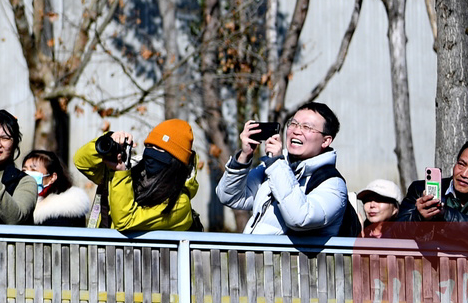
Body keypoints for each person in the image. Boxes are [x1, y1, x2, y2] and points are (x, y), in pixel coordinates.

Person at [215, 102, 352, 237]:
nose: (297, 131)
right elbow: (230, 197)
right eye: (293, 123)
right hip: (255, 256)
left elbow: (301, 219)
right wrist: (244, 156)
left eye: (307, 127)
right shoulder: (275, 167)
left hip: (294, 260)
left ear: (326, 141)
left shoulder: (333, 184)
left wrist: (276, 164)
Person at [73, 120, 199, 234]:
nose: (150, 152)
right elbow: (82, 162)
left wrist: (121, 173)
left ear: (175, 161)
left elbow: (125, 221)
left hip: (146, 259)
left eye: (158, 149)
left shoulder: (180, 204)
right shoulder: (133, 173)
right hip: (107, 255)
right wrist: (108, 140)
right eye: (149, 146)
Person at [395, 141, 468, 235]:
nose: (464, 174)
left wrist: (444, 213)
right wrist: (418, 217)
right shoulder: (420, 189)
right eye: (461, 164)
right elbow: (395, 233)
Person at [23, 149, 92, 227]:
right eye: (24, 170)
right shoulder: (21, 201)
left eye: (33, 170)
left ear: (52, 177)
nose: (26, 174)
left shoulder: (65, 209)